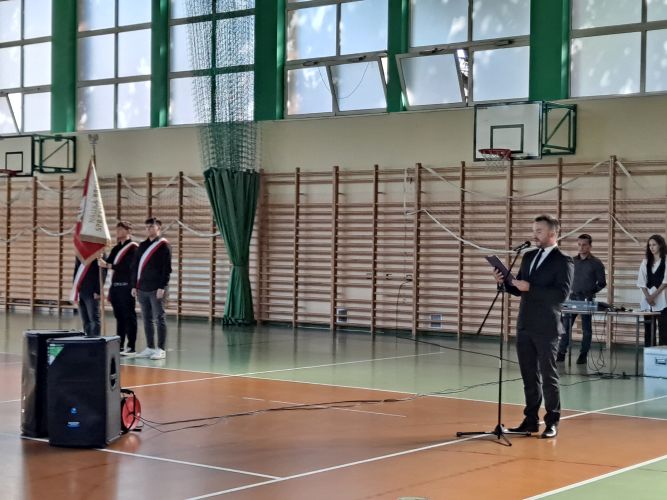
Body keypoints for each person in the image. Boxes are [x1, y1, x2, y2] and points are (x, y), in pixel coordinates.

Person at [494, 214, 573, 439]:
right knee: (529, 376)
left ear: (552, 233)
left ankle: (552, 422)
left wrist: (530, 287)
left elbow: (561, 295)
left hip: (547, 327)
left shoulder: (563, 260)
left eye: (539, 231)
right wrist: (504, 282)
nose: (534, 235)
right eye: (534, 230)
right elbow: (518, 288)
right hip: (525, 325)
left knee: (549, 377)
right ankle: (530, 421)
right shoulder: (528, 256)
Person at [557, 234, 606, 364]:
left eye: (584, 245)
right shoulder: (572, 261)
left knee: (586, 328)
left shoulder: (596, 263)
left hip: (586, 299)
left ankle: (583, 354)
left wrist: (590, 292)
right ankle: (561, 352)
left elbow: (602, 283)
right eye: (579, 244)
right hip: (572, 298)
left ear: (590, 246)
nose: (581, 247)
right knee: (565, 326)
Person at [131, 217, 172, 360]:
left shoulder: (164, 245)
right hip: (142, 288)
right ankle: (149, 347)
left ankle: (161, 349)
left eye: (152, 227)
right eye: (147, 227)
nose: (149, 229)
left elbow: (166, 268)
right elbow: (135, 267)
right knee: (146, 319)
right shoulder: (142, 246)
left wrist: (162, 286)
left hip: (157, 288)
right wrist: (134, 285)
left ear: (158, 228)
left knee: (159, 318)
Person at [98, 221, 139, 355]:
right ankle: (120, 344)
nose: (118, 232)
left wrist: (108, 265)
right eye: (117, 229)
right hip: (115, 287)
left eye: (121, 229)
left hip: (127, 286)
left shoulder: (133, 248)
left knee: (129, 316)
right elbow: (108, 262)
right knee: (119, 317)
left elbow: (128, 267)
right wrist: (101, 255)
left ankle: (131, 346)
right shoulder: (116, 248)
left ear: (129, 231)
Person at [637, 234, 667, 346]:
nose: (651, 247)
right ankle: (649, 353)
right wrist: (648, 297)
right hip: (648, 303)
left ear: (660, 245)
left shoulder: (666, 260)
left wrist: (653, 296)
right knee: (649, 331)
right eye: (649, 245)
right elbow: (641, 282)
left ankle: (663, 354)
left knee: (664, 331)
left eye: (654, 244)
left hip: (663, 301)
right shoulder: (645, 262)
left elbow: (665, 282)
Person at [73, 257, 106, 337]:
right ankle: (87, 339)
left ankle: (95, 340)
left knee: (94, 319)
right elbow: (76, 271)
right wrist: (75, 291)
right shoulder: (80, 254)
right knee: (85, 320)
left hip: (92, 291)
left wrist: (98, 290)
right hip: (81, 290)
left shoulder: (98, 253)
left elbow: (103, 272)